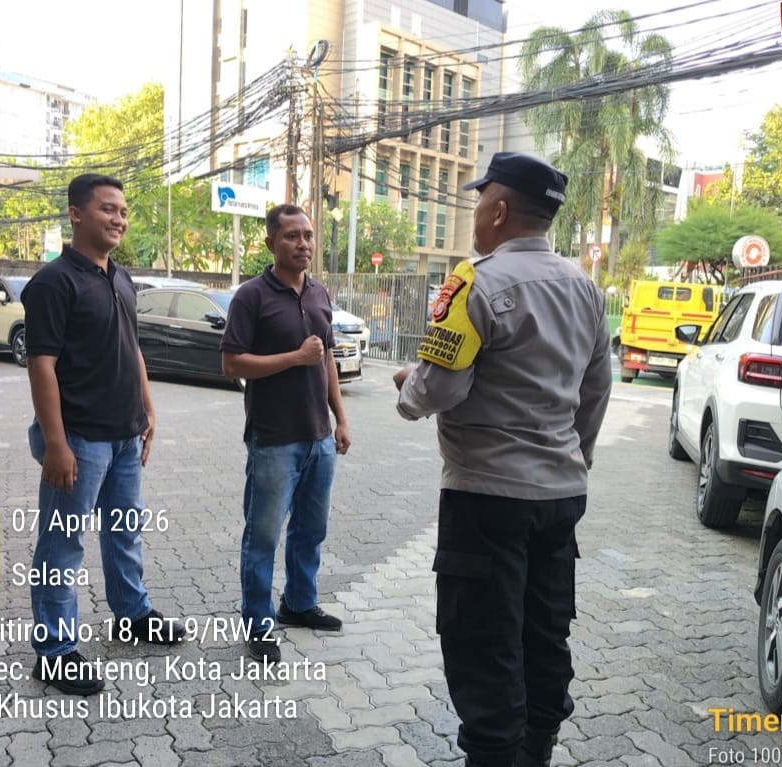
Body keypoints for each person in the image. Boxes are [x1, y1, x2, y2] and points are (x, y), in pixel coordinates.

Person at [393, 153, 611, 767]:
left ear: (499, 210)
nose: (475, 214)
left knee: (484, 648)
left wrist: (408, 387)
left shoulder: (475, 283)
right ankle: (536, 753)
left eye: (479, 201)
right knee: (544, 637)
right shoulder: (586, 290)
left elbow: (439, 389)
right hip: (560, 498)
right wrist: (573, 459)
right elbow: (596, 390)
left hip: (486, 500)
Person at [22, 173, 185, 697]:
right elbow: (42, 366)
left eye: (123, 211)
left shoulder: (120, 278)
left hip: (125, 435)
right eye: (108, 209)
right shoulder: (53, 283)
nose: (118, 219)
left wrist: (148, 408)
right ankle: (54, 651)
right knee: (63, 542)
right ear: (76, 213)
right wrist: (55, 443)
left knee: (124, 530)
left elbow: (131, 348)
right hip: (80, 439)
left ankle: (133, 613)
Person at [220, 204, 352, 663]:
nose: (303, 244)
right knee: (263, 537)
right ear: (270, 243)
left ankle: (298, 603)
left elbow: (327, 359)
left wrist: (340, 418)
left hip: (319, 437)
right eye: (292, 236)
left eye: (308, 235)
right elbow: (232, 363)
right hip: (274, 439)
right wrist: (294, 358)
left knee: (310, 530)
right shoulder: (251, 297)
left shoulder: (319, 293)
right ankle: (258, 623)